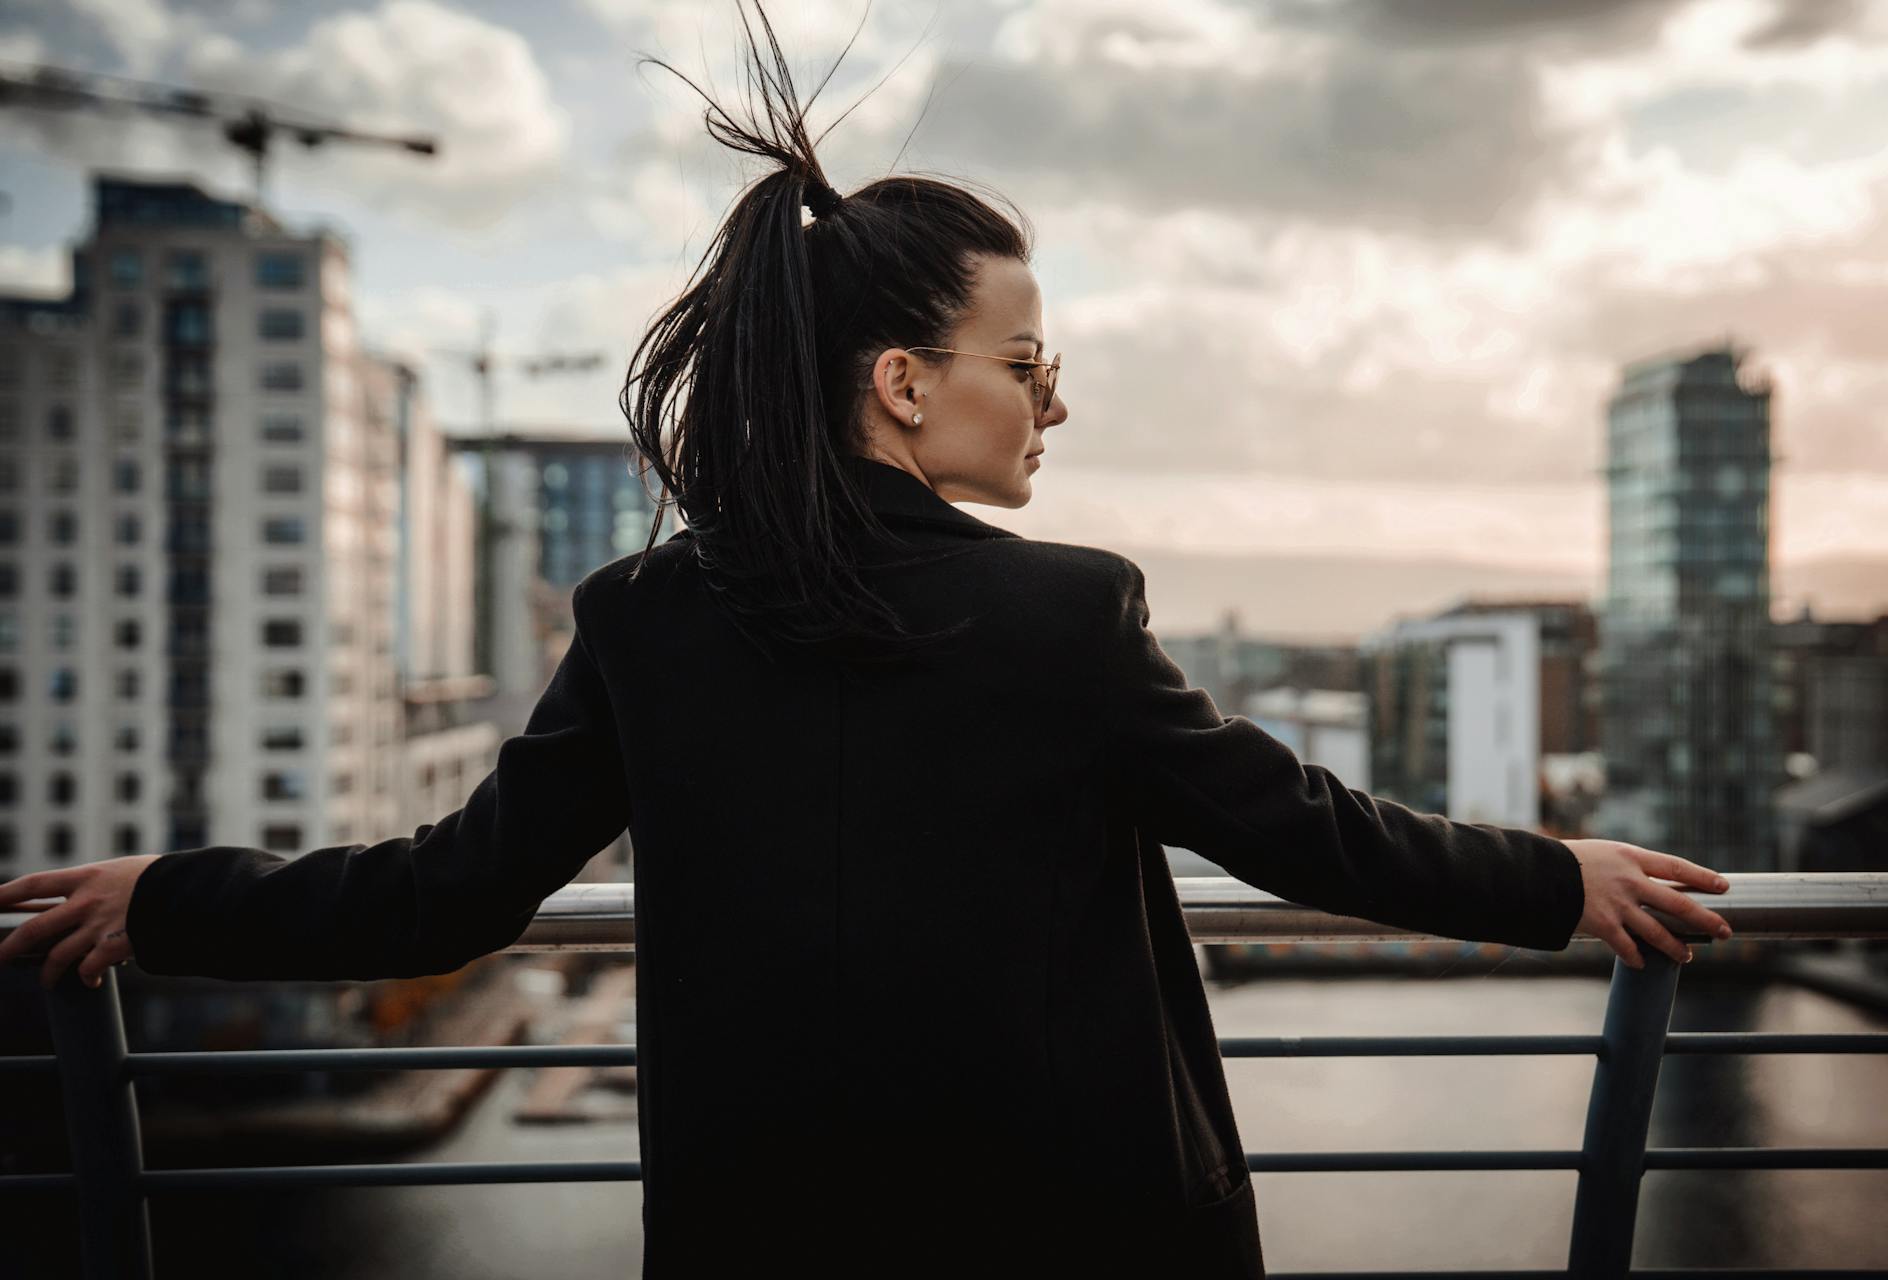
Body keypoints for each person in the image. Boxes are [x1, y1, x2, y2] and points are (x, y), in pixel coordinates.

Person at [0, 5, 1735, 1277]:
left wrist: (163, 901)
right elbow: (1302, 832)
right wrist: (1555, 882)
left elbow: (441, 894)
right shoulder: (1071, 614)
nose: (1058, 397)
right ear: (903, 384)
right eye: (1027, 360)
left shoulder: (644, 616)